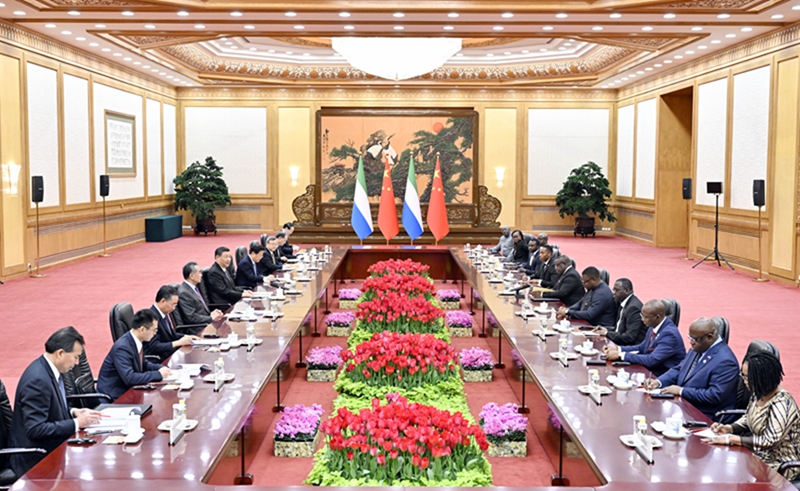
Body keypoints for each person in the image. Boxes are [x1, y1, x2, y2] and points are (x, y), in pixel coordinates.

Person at [9, 327, 103, 477]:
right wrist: (77, 423)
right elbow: (35, 429)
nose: (77, 363)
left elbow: (50, 409)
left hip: (53, 449)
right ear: (60, 353)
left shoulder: (50, 370)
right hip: (36, 459)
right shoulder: (38, 381)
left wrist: (73, 412)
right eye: (75, 357)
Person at [704, 352, 800, 480]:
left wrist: (731, 439)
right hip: (757, 456)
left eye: (747, 377)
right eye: (742, 376)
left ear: (762, 378)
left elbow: (769, 441)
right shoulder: (759, 392)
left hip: (780, 465)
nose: (744, 381)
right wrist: (729, 428)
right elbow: (748, 417)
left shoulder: (782, 403)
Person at [644, 317, 739, 420]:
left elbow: (714, 395)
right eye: (690, 338)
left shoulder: (726, 361)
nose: (691, 342)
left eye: (694, 340)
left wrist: (681, 391)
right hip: (684, 406)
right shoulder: (700, 346)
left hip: (705, 415)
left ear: (710, 337)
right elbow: (680, 369)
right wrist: (658, 382)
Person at [97, 309, 171, 401]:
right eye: (154, 330)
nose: (155, 334)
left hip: (127, 391)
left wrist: (160, 368)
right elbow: (130, 378)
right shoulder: (122, 348)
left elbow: (143, 364)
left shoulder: (135, 340)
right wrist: (158, 374)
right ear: (142, 329)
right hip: (114, 398)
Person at [603, 299, 685, 376]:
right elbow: (642, 347)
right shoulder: (653, 325)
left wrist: (621, 355)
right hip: (650, 369)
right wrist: (618, 348)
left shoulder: (669, 335)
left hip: (662, 375)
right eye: (642, 315)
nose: (642, 319)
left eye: (645, 317)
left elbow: (651, 360)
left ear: (657, 317)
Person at [144, 285, 199, 362]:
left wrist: (186, 336)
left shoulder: (163, 313)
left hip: (168, 353)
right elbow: (154, 347)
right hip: (158, 359)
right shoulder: (150, 318)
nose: (174, 308)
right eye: (173, 304)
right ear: (163, 301)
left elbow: (171, 334)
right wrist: (178, 343)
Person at [594, 278, 647, 346]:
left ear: (627, 290)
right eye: (613, 290)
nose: (614, 293)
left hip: (630, 346)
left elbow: (629, 337)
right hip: (620, 342)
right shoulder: (623, 302)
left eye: (617, 290)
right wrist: (605, 329)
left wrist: (606, 333)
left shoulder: (633, 308)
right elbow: (619, 328)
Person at [177, 262, 224, 327]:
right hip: (198, 327)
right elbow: (191, 317)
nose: (201, 275)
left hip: (205, 322)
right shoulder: (184, 293)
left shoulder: (194, 287)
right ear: (191, 276)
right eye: (199, 272)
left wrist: (212, 314)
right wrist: (211, 318)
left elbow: (201, 309)